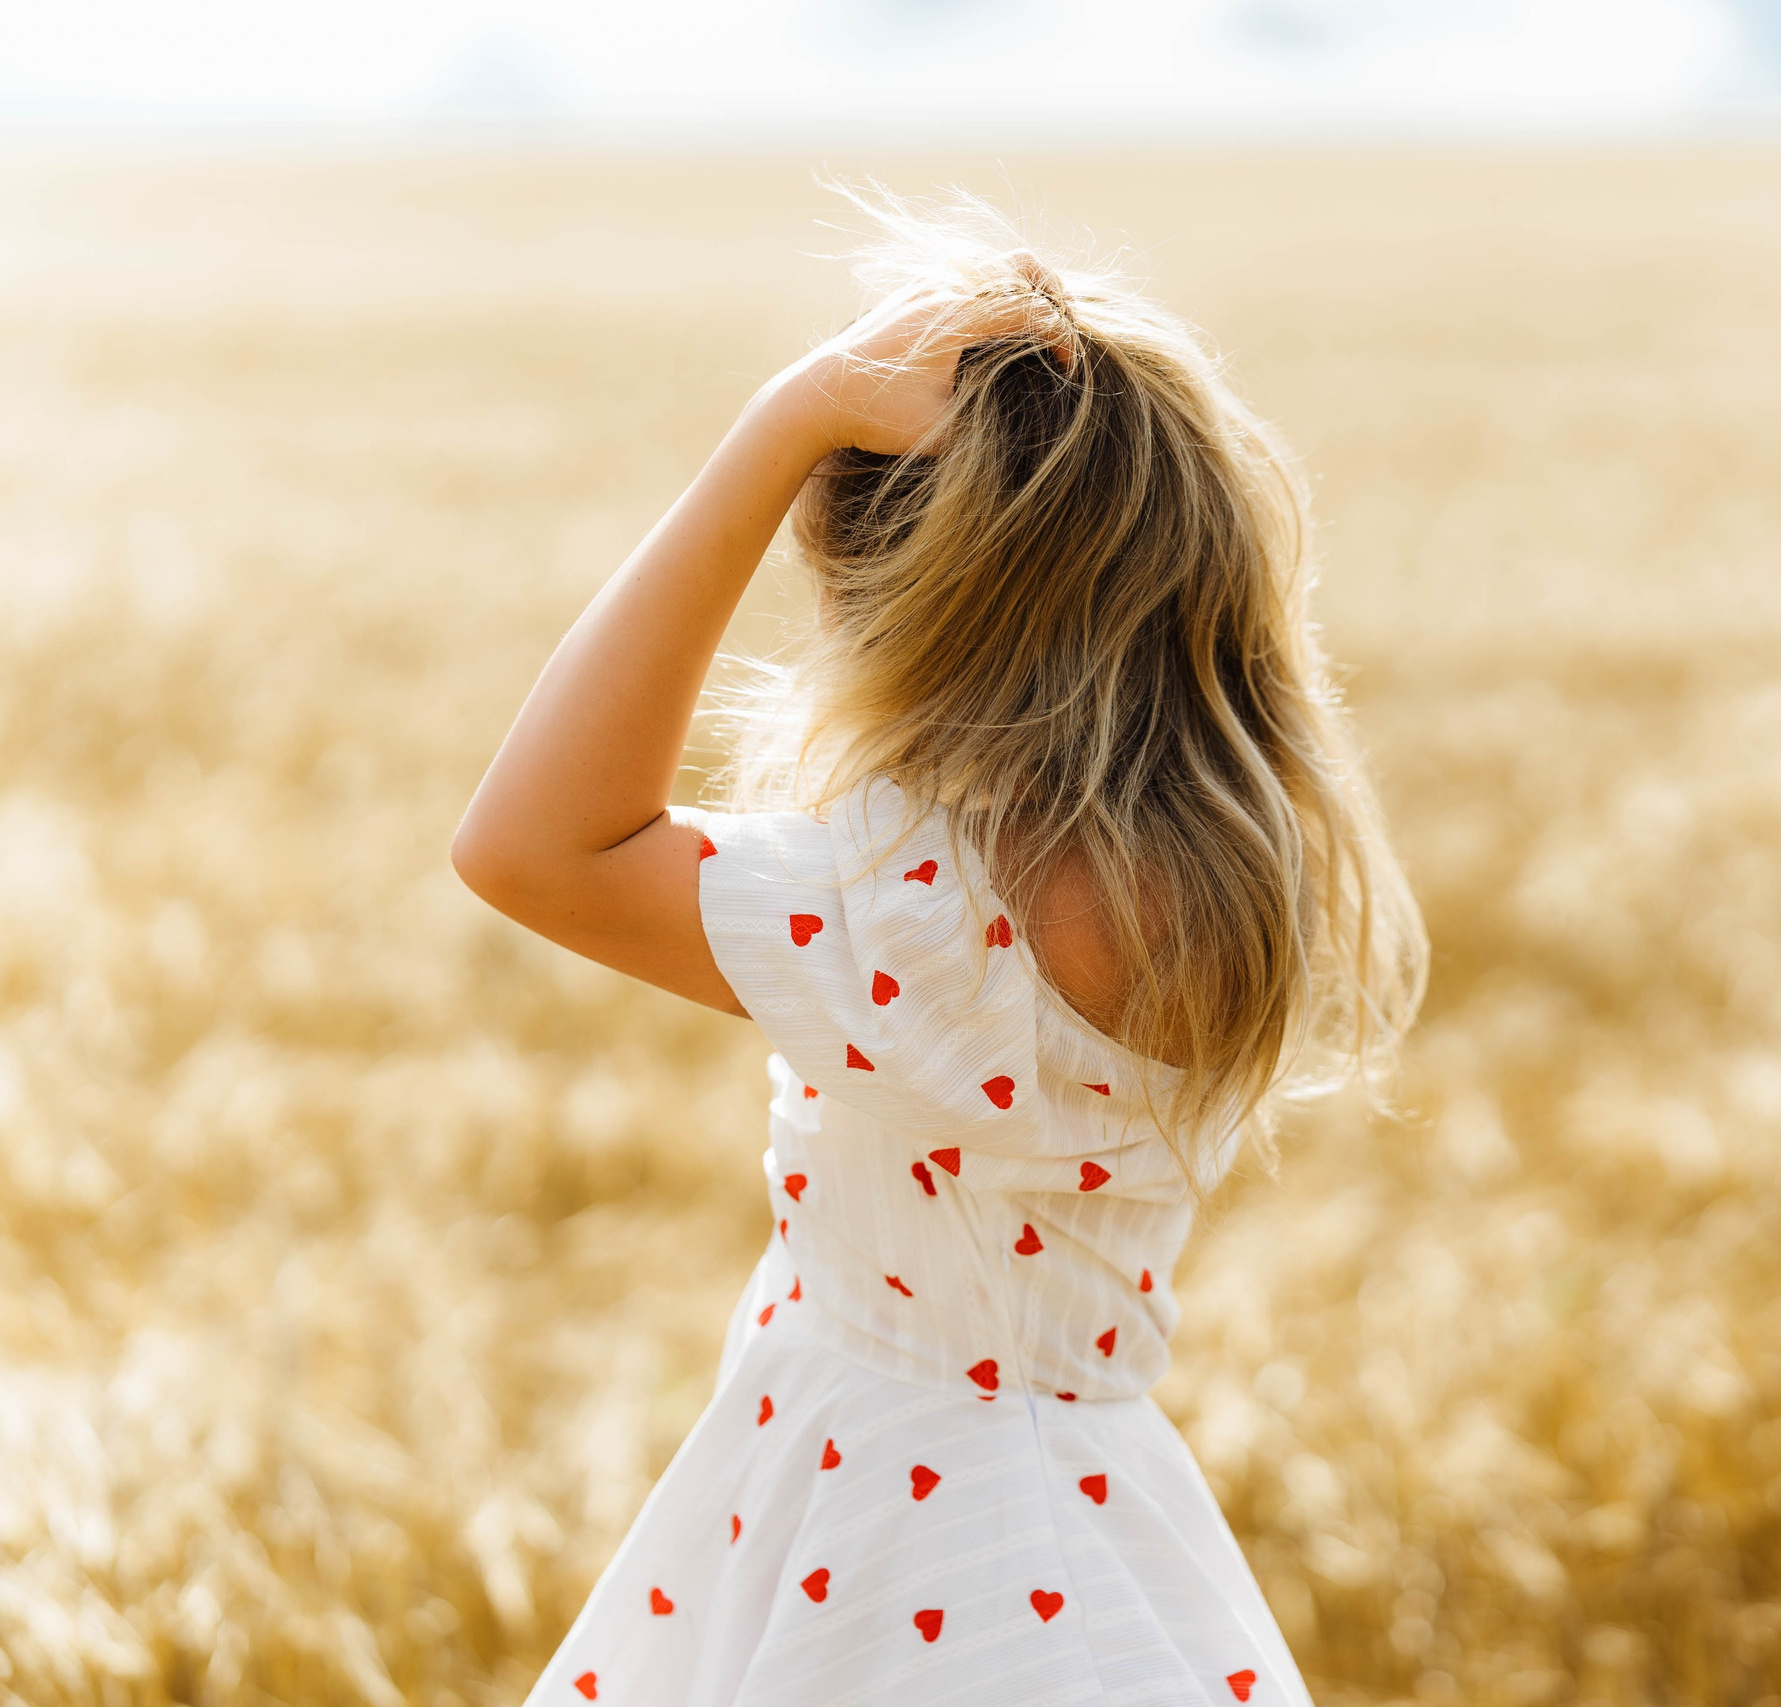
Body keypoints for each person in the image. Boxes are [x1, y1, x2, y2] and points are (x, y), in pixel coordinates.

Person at [451, 194, 1427, 1706]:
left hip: (884, 1545)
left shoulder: (926, 921)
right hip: (1101, 1536)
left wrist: (783, 423)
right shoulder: (1245, 874)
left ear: (898, 604)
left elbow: (529, 843)